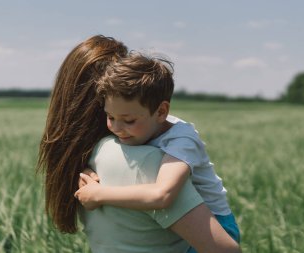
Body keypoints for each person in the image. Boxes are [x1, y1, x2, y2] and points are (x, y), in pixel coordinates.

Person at [37, 35, 241, 252]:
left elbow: (162, 195)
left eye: (128, 120)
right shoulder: (133, 146)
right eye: (110, 117)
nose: (116, 127)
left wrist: (99, 193)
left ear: (161, 111)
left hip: (219, 222)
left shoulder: (178, 142)